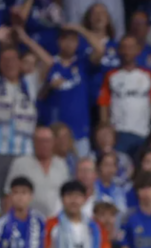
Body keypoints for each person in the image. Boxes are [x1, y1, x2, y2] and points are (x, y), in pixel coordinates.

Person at [0, 25, 54, 198]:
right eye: (5, 60)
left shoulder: (30, 84)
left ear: (20, 63)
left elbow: (48, 62)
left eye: (14, 59)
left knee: (24, 198)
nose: (10, 64)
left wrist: (25, 39)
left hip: (25, 154)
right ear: (0, 64)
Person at [41, 24, 106, 157]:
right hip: (56, 132)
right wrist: (49, 86)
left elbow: (100, 50)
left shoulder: (82, 63)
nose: (70, 43)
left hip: (80, 132)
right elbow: (40, 96)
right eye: (66, 39)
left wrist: (80, 29)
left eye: (73, 40)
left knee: (82, 173)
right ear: (59, 41)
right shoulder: (50, 64)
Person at [99, 34, 151, 158]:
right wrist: (106, 130)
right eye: (124, 47)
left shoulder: (148, 76)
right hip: (119, 133)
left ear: (138, 50)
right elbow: (104, 104)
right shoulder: (111, 76)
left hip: (143, 133)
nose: (127, 51)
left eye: (131, 47)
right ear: (119, 50)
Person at [4, 126, 70, 218]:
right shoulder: (20, 163)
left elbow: (67, 194)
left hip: (56, 221)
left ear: (53, 142)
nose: (44, 144)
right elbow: (9, 195)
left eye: (47, 141)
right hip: (28, 220)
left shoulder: (61, 164)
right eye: (40, 141)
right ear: (33, 142)